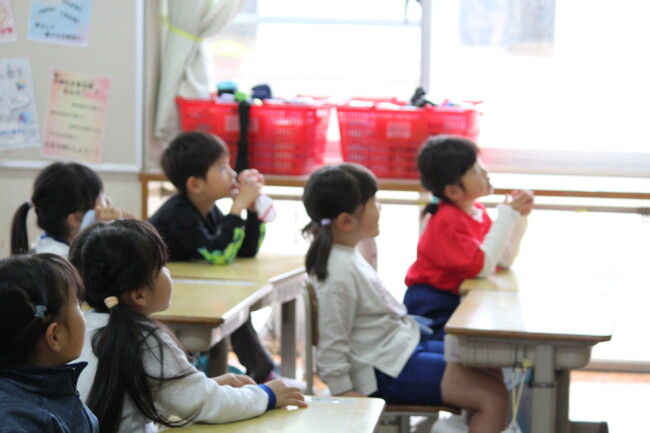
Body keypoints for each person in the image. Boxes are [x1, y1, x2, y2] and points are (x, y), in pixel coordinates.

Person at [301, 163, 508, 433]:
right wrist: (345, 393)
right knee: (493, 398)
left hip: (398, 352)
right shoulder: (337, 273)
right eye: (373, 201)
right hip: (384, 372)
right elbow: (331, 348)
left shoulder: (346, 255)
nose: (380, 207)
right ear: (346, 221)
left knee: (485, 363)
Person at [69, 219, 306, 433]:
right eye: (161, 266)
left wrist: (207, 386)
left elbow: (164, 397)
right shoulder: (145, 339)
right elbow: (208, 405)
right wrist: (268, 395)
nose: (168, 272)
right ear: (139, 295)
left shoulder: (80, 328)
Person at [149, 131, 277, 383]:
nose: (231, 174)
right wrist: (237, 208)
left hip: (194, 293)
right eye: (221, 168)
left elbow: (243, 251)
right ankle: (261, 371)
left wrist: (251, 212)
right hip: (170, 302)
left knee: (238, 308)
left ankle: (262, 370)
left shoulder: (208, 210)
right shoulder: (178, 215)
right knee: (233, 308)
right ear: (196, 184)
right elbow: (219, 254)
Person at [404, 135, 534, 339]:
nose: (485, 172)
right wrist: (507, 216)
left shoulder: (475, 211)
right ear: (454, 191)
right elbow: (481, 267)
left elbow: (500, 259)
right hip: (433, 305)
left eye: (480, 165)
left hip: (455, 299)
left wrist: (517, 219)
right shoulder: (447, 220)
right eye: (475, 170)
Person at [0, 253, 99, 432]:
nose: (83, 312)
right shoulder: (18, 420)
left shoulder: (51, 389)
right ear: (55, 336)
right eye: (78, 304)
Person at [10, 161, 134, 258]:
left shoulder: (46, 243)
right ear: (75, 220)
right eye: (100, 196)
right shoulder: (65, 260)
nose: (109, 201)